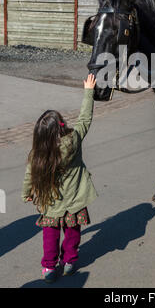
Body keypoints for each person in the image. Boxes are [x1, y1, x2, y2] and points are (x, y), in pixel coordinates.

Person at [22, 74, 98, 282]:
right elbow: (85, 119)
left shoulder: (39, 152)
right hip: (75, 199)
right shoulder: (74, 140)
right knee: (73, 232)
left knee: (50, 235)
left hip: (51, 201)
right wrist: (89, 91)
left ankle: (49, 268)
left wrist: (27, 193)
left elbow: (30, 174)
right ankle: (70, 262)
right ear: (62, 126)